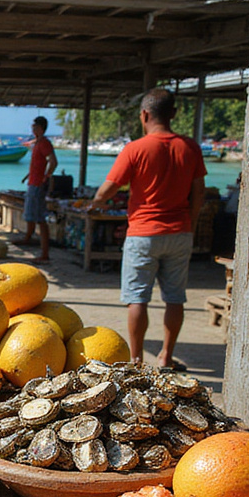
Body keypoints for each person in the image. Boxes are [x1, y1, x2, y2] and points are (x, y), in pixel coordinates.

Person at [91, 87, 206, 369]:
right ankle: (166, 356)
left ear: (144, 115)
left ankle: (136, 360)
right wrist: (189, 223)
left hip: (143, 233)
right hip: (180, 231)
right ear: (174, 114)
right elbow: (199, 192)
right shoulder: (190, 147)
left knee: (137, 298)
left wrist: (95, 202)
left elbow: (108, 189)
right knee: (175, 298)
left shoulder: (135, 149)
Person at [21, 115, 58, 262]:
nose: (32, 128)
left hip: (38, 185)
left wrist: (46, 176)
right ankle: (28, 238)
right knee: (31, 215)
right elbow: (38, 164)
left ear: (41, 128)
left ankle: (44, 254)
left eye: (35, 126)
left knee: (40, 218)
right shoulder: (37, 143)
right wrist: (28, 176)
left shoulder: (44, 144)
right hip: (32, 182)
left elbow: (53, 162)